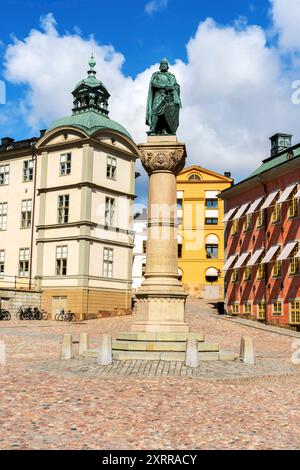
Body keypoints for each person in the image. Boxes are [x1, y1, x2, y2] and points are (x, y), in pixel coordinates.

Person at [146, 59, 181, 135]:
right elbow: (153, 84)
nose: (163, 66)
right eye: (162, 64)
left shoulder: (172, 76)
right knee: (155, 111)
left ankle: (167, 130)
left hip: (169, 97)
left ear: (167, 66)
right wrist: (164, 86)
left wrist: (172, 88)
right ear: (160, 66)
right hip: (159, 95)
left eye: (165, 64)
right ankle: (153, 129)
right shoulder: (156, 75)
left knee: (167, 112)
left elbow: (176, 86)